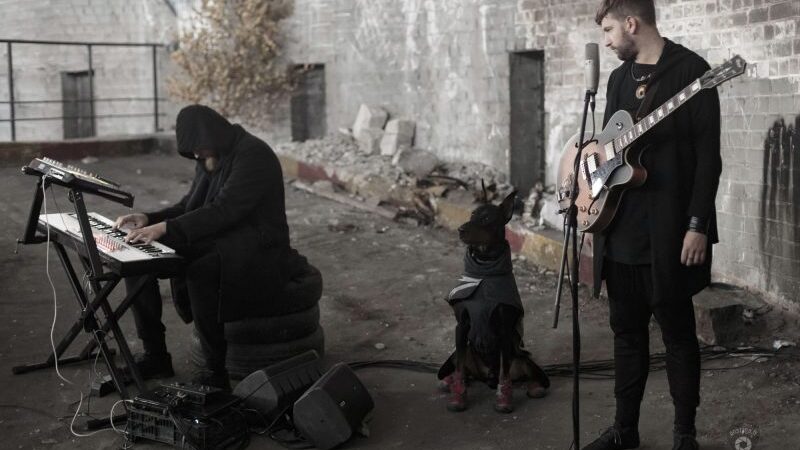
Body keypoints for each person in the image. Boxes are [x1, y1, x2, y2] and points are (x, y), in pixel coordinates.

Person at [585, 1, 721, 450]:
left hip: (669, 231)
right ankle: (626, 431)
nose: (605, 41)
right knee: (626, 336)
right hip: (620, 229)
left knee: (678, 336)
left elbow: (708, 159)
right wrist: (586, 179)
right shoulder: (618, 79)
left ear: (631, 22)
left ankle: (685, 435)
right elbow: (605, 148)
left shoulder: (692, 72)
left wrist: (697, 224)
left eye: (608, 30)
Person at [115, 104, 292, 390]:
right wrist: (150, 219)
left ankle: (215, 372)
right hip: (223, 234)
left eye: (198, 148)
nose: (196, 155)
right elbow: (190, 206)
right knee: (138, 262)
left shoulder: (253, 154)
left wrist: (165, 229)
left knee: (201, 270)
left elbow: (225, 209)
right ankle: (155, 356)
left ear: (213, 134)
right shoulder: (213, 154)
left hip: (259, 244)